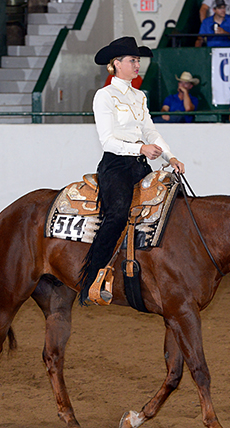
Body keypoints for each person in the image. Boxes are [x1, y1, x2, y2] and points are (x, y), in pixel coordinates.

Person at [79, 36, 185, 305]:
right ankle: (94, 279)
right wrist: (139, 149)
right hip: (116, 165)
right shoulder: (104, 96)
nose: (137, 64)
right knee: (117, 213)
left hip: (140, 165)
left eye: (138, 60)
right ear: (116, 64)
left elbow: (150, 131)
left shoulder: (139, 96)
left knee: (174, 201)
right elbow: (107, 140)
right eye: (132, 60)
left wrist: (171, 157)